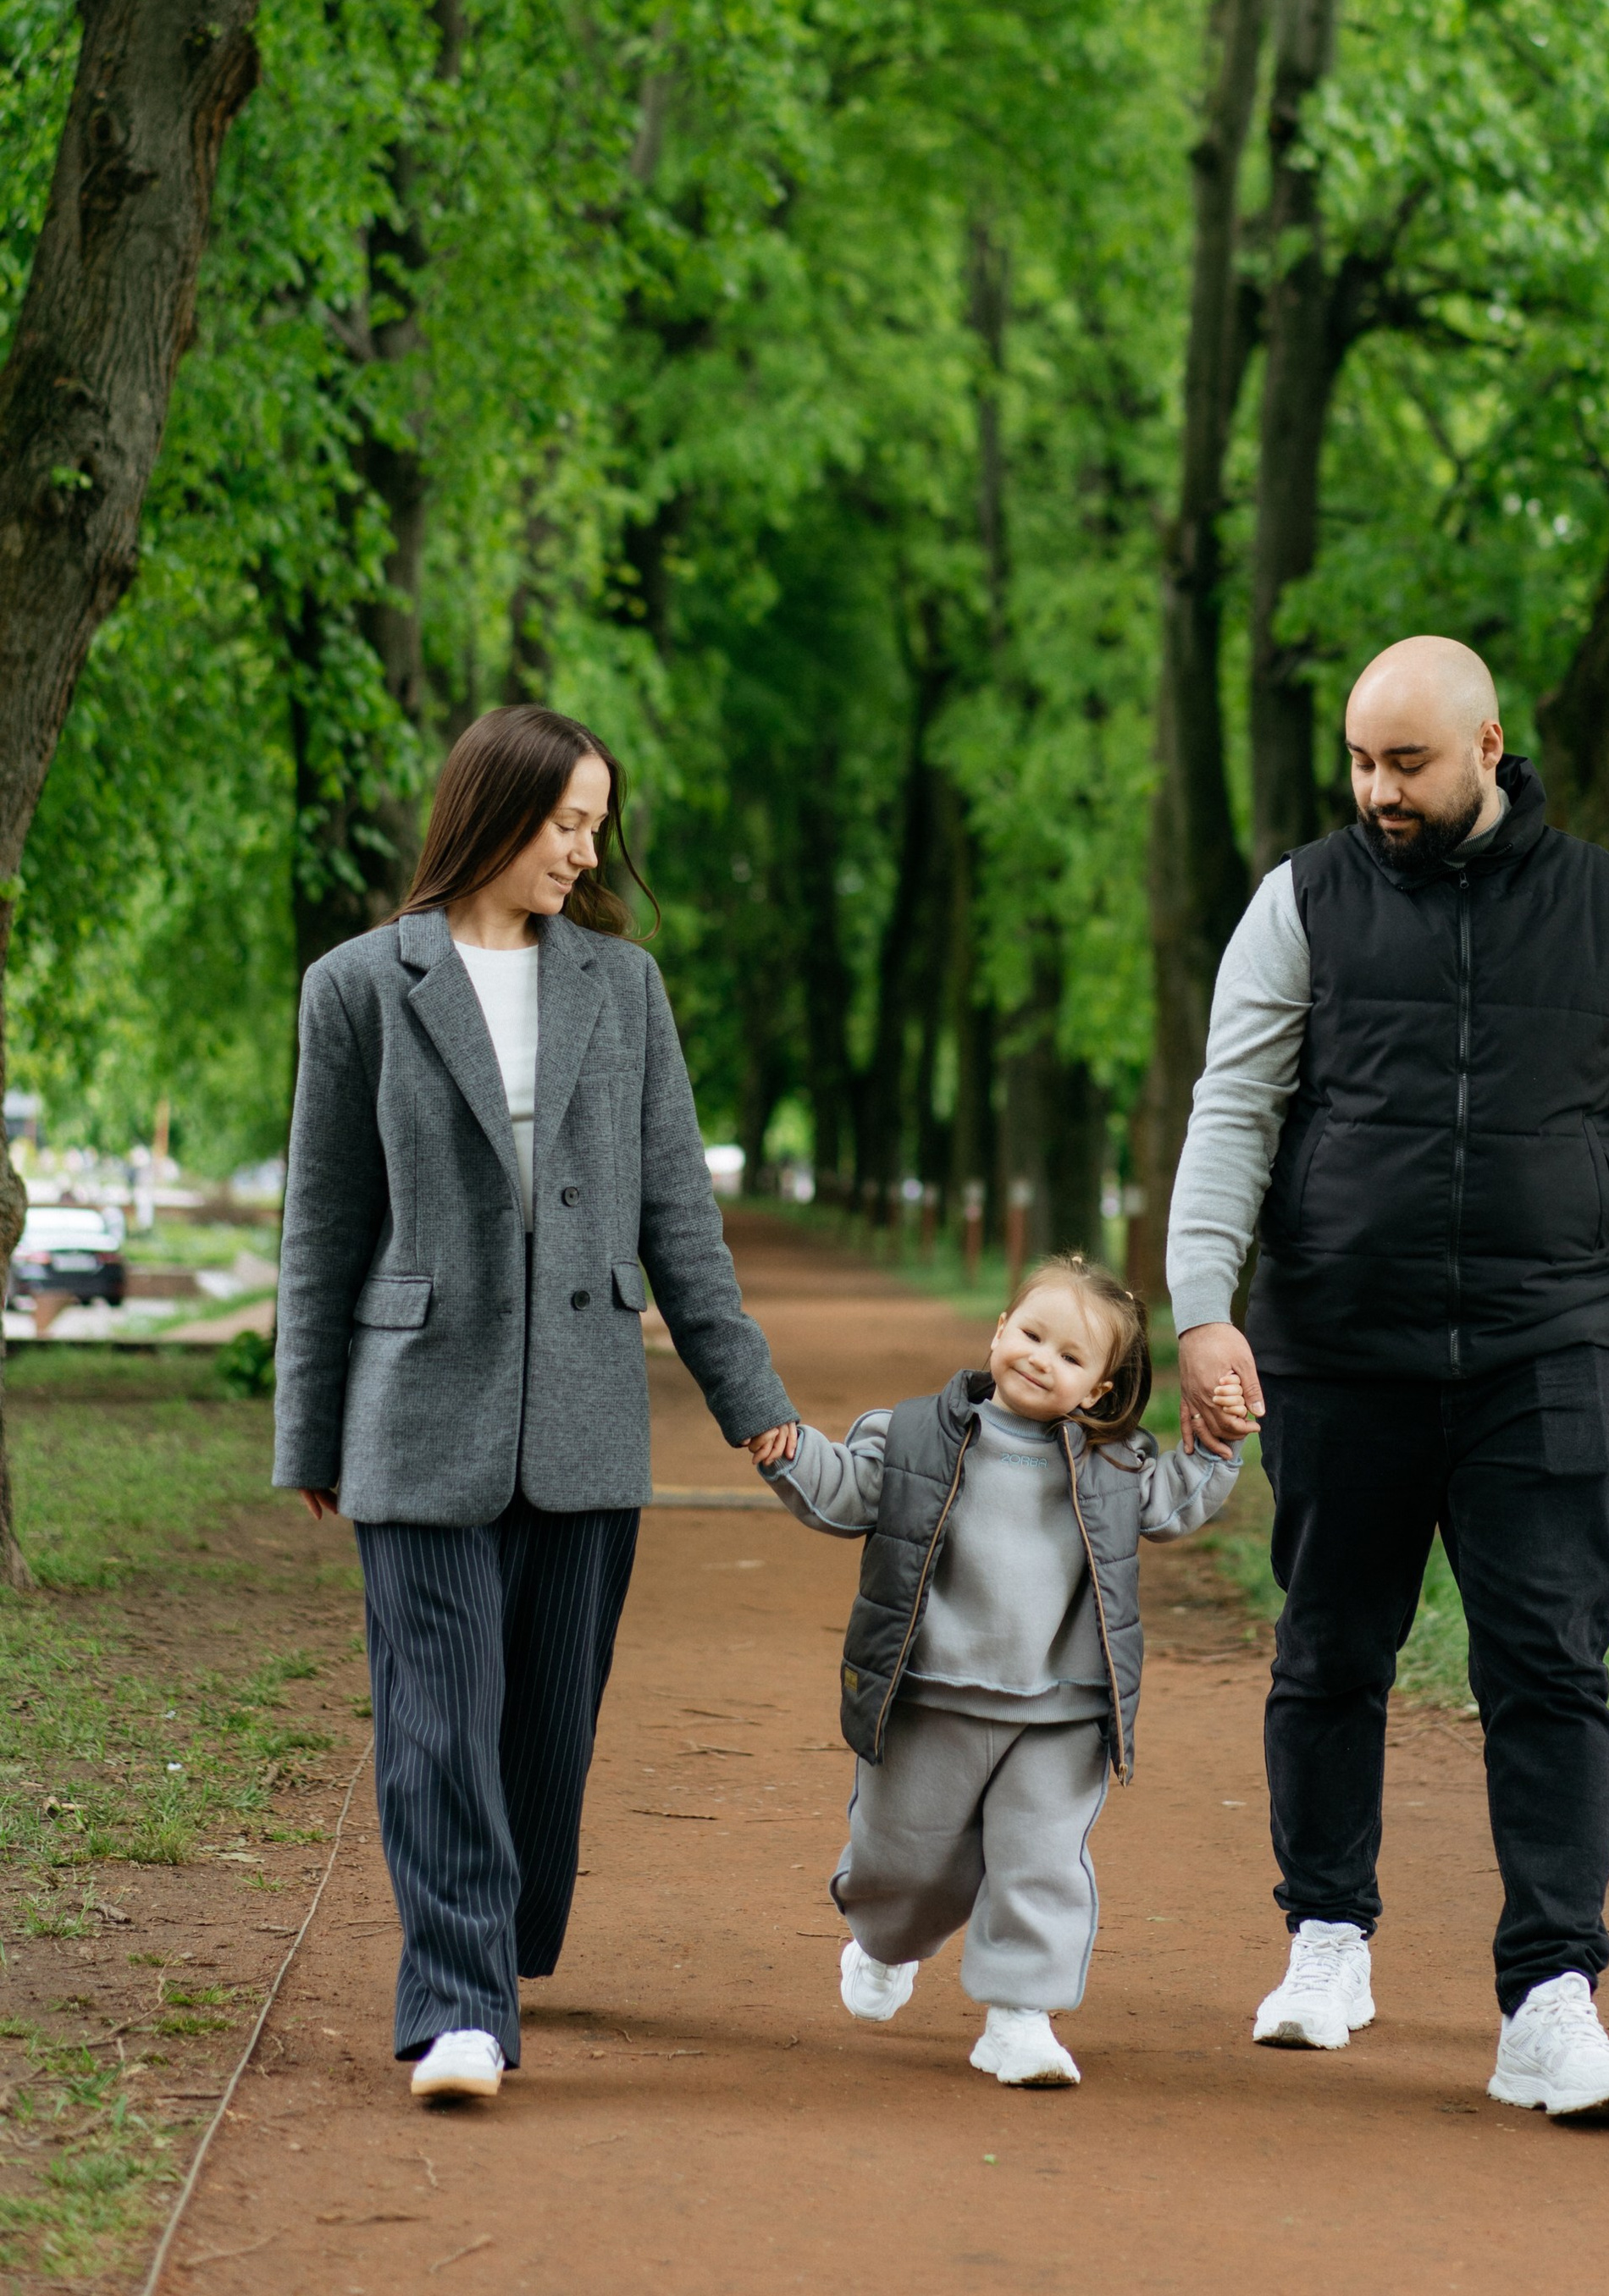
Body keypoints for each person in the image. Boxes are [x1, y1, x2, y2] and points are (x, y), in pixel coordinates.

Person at [1168, 635, 1609, 2121]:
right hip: (1341, 1340)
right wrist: (1200, 1309)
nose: (1377, 791)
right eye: (1359, 761)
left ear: (1489, 747)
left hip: (1545, 1346)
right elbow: (1237, 1107)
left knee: (1549, 1662)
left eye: (1405, 762)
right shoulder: (1303, 897)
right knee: (1333, 1648)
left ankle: (1551, 1999)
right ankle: (1327, 1938)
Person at [274, 705, 796, 2106]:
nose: (586, 848)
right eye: (566, 820)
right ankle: (456, 2003)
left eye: (594, 825)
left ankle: (504, 1938)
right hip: (413, 1413)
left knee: (545, 1731)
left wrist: (755, 1404)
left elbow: (681, 1215)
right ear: (493, 812)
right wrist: (309, 1431)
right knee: (436, 1717)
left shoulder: (624, 988)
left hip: (583, 1421)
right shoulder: (358, 988)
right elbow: (321, 1228)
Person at [751, 1254, 1247, 2086]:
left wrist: (1220, 1443)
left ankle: (1019, 2018)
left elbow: (1173, 1500)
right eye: (1030, 1333)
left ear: (1097, 1389)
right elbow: (841, 1491)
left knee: (1040, 1863)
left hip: (1058, 1712)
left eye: (1069, 1356)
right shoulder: (911, 1436)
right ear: (998, 1331)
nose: (1039, 1357)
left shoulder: (1114, 1464)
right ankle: (883, 1942)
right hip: (929, 1699)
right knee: (905, 1866)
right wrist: (790, 1450)